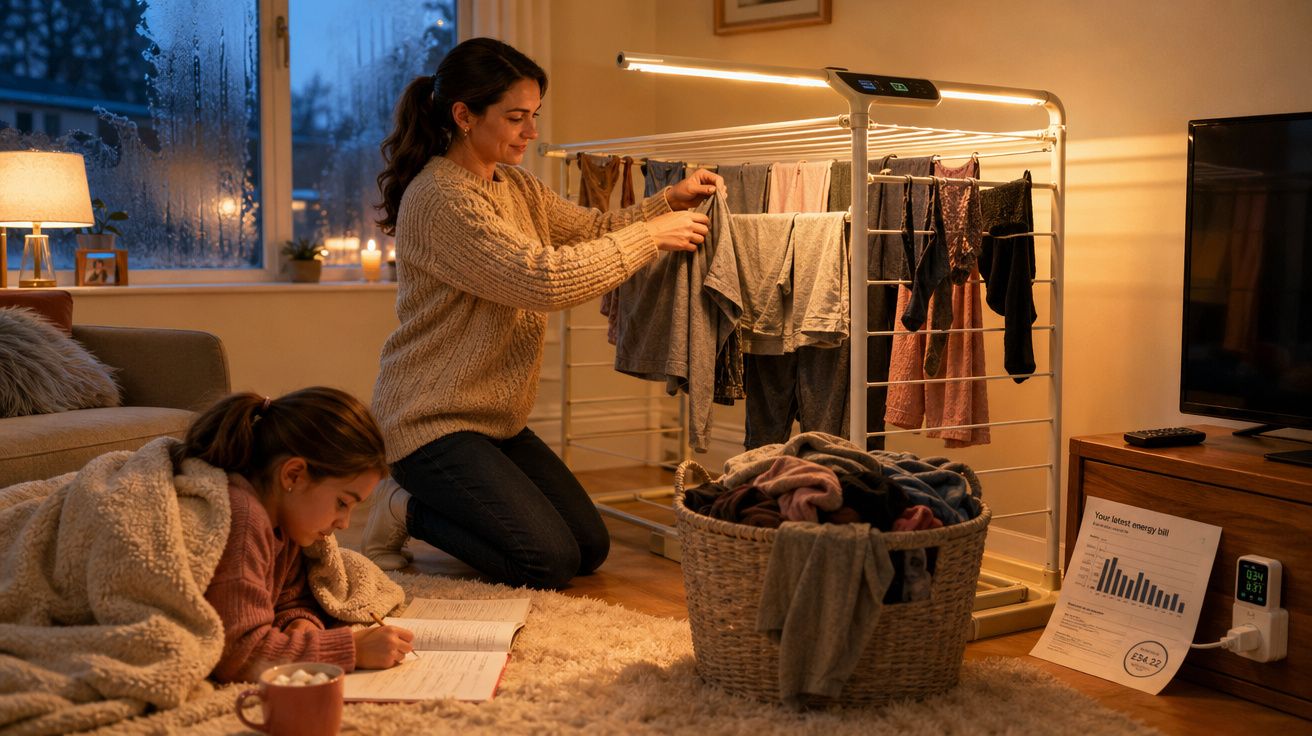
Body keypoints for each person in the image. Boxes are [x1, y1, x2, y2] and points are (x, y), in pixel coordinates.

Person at [363, 37, 722, 589]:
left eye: (534, 115)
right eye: (515, 117)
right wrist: (653, 235)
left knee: (588, 548)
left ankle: (442, 505)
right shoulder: (439, 197)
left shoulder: (517, 185)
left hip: (497, 422)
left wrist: (667, 202)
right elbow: (543, 278)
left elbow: (595, 231)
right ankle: (401, 506)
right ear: (463, 116)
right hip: (430, 423)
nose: (531, 132)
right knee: (546, 563)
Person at [185, 387, 416, 683]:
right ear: (293, 475)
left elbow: (288, 597)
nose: (345, 523)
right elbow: (240, 655)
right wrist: (352, 648)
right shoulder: (242, 518)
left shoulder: (288, 521)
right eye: (342, 503)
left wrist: (298, 622)